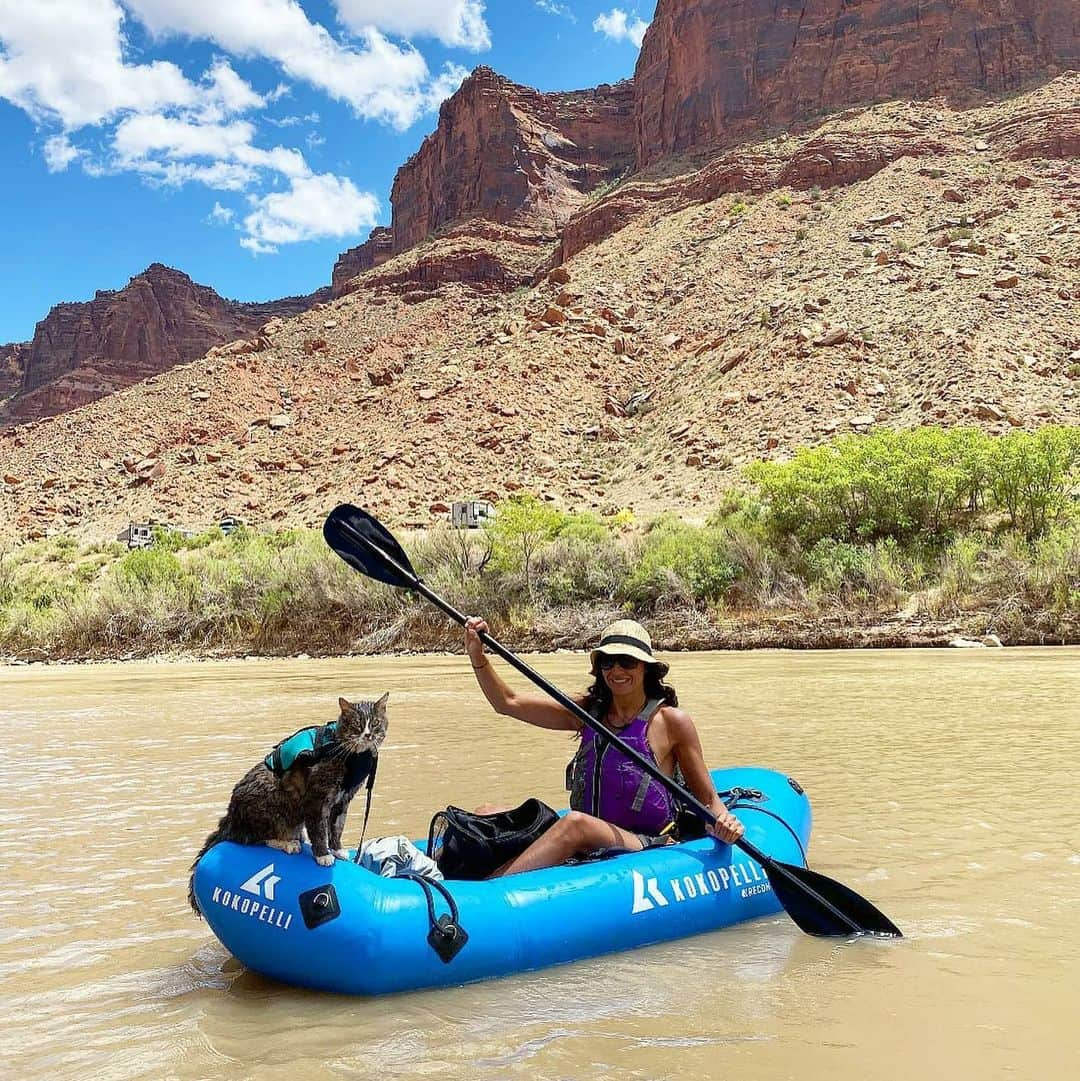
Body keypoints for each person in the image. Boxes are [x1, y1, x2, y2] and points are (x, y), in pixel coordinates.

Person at [464, 616, 744, 877]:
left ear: (645, 667)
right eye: (608, 662)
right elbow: (507, 703)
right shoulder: (588, 713)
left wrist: (723, 823)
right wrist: (479, 657)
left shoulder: (672, 722)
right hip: (593, 834)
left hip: (644, 841)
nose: (616, 670)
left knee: (576, 824)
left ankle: (494, 890)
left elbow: (708, 800)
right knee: (486, 811)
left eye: (626, 662)